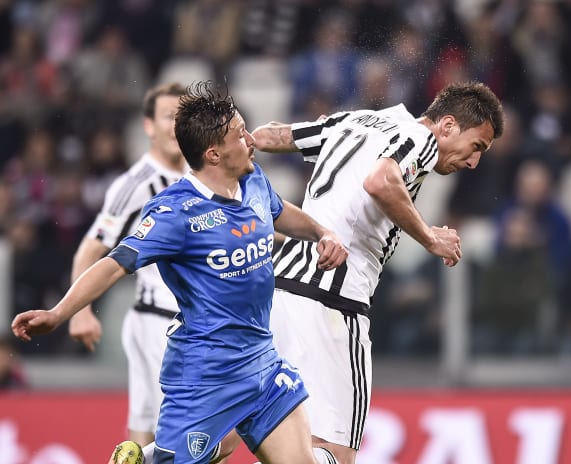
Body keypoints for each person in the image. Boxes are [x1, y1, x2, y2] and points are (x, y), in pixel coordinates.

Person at [11, 81, 348, 464]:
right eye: (240, 134)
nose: (250, 140)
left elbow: (280, 211)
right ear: (214, 154)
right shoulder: (174, 213)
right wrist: (60, 313)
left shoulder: (252, 180)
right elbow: (112, 265)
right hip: (204, 375)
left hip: (263, 363)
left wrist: (322, 232)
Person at [246, 81, 504, 464]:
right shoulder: (420, 138)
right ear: (447, 125)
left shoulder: (359, 119)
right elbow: (381, 180)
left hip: (279, 294)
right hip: (332, 302)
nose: (473, 162)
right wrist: (430, 237)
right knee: (335, 452)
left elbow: (269, 136)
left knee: (287, 446)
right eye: (477, 146)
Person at [66, 82, 186, 448]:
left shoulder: (197, 178)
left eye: (183, 117)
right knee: (189, 437)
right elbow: (88, 250)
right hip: (157, 322)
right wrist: (80, 312)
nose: (176, 125)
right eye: (168, 116)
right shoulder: (136, 183)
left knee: (145, 436)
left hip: (185, 326)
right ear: (148, 126)